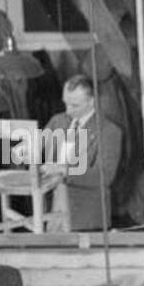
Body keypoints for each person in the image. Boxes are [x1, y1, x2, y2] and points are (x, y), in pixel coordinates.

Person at [42, 75, 124, 231]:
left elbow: (104, 176)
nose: (68, 110)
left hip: (86, 218)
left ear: (91, 101)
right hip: (53, 212)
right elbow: (37, 150)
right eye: (65, 103)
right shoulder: (57, 121)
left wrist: (65, 171)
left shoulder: (109, 131)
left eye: (75, 105)